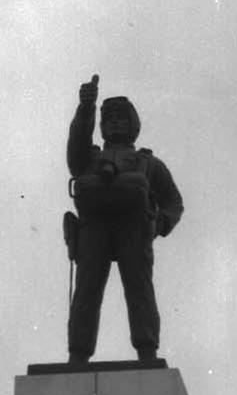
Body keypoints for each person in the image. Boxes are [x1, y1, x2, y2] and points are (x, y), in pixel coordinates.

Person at [66, 73, 184, 365]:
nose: (115, 122)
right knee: (86, 292)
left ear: (133, 125)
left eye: (122, 117)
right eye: (109, 118)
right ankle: (78, 354)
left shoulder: (148, 163)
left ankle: (147, 351)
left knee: (139, 289)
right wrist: (86, 108)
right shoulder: (91, 158)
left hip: (134, 229)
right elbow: (75, 152)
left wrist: (159, 224)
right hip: (94, 228)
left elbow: (173, 202)